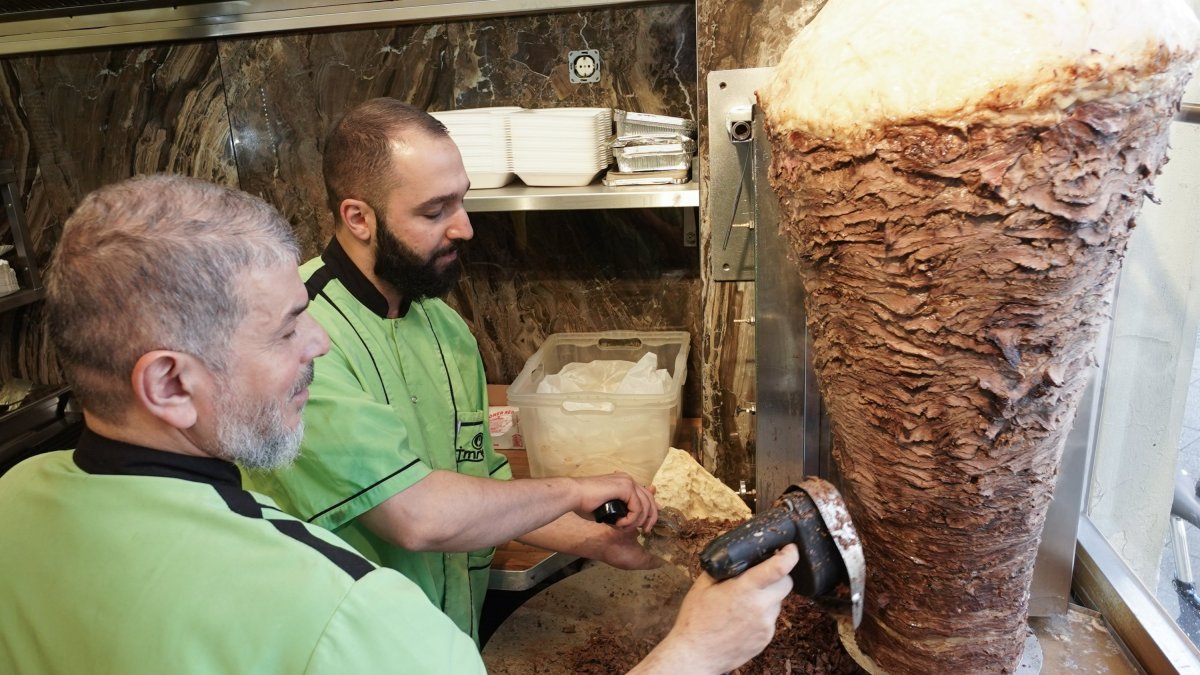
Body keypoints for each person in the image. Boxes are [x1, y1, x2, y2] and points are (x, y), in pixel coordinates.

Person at [0, 173, 802, 675]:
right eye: (285, 329)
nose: (319, 338)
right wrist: (696, 649)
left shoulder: (16, 497)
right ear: (170, 382)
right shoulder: (345, 614)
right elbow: (416, 516)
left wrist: (586, 535)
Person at [246, 97, 665, 643]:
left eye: (462, 202)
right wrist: (572, 489)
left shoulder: (447, 330)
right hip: (348, 648)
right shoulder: (296, 337)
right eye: (433, 211)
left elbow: (482, 488)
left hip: (444, 642)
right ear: (358, 217)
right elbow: (416, 517)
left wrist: (595, 540)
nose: (464, 228)